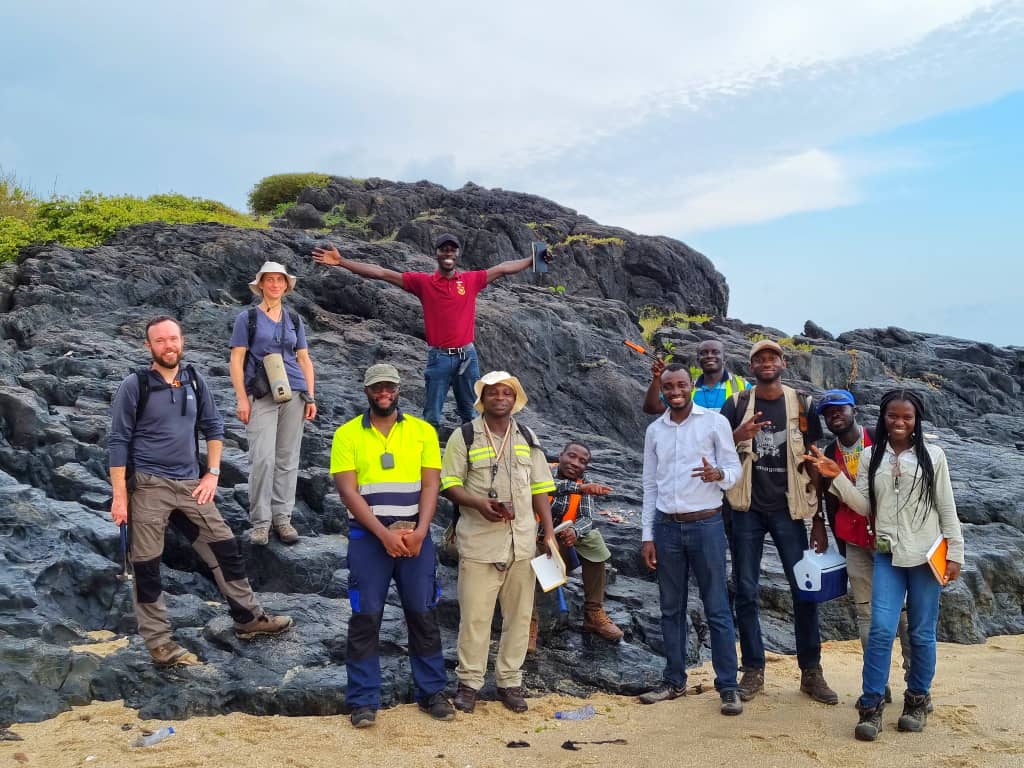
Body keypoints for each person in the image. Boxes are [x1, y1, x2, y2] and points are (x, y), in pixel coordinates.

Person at [108, 316, 292, 667]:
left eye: (173, 339)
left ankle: (248, 618)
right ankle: (160, 645)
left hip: (192, 485)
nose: (168, 346)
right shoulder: (136, 385)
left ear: (182, 341)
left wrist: (212, 474)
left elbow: (213, 426)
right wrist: (120, 496)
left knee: (225, 547)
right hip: (148, 486)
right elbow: (118, 440)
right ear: (149, 346)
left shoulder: (194, 380)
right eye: (160, 341)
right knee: (146, 567)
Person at [804, 389, 964, 741]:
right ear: (883, 417)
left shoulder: (933, 456)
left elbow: (947, 507)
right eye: (893, 416)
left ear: (916, 419)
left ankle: (917, 700)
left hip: (925, 557)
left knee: (921, 633)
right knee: (879, 630)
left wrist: (956, 553)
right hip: (888, 555)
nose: (899, 423)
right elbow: (863, 506)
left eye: (907, 417)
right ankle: (871, 706)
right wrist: (836, 477)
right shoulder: (870, 456)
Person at [312, 234, 545, 432]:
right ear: (437, 253)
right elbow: (381, 273)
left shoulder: (471, 280)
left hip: (468, 356)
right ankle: (429, 461)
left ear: (458, 254)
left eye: (452, 250)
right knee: (432, 414)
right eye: (444, 250)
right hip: (440, 357)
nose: (448, 253)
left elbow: (503, 268)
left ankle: (472, 459)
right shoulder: (423, 282)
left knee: (472, 413)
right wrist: (341, 262)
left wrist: (533, 258)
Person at [329, 363, 453, 728]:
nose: (383, 393)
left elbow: (431, 485)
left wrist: (420, 530)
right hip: (368, 539)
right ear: (366, 391)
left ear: (399, 390)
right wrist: (383, 535)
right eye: (376, 388)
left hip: (416, 537)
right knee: (366, 616)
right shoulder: (347, 434)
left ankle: (432, 692)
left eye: (389, 387)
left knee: (422, 612)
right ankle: (364, 700)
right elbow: (347, 491)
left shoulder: (423, 432)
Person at [719, 339, 838, 705]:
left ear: (783, 363)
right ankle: (753, 669)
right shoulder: (736, 404)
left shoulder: (802, 404)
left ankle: (811, 671)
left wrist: (818, 519)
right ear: (751, 366)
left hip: (790, 509)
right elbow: (718, 449)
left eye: (773, 358)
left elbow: (816, 461)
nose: (766, 363)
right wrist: (739, 435)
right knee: (747, 590)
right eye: (759, 359)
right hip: (746, 508)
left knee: (804, 588)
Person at [439, 371, 558, 714]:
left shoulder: (527, 436)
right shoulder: (465, 436)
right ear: (483, 399)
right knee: (475, 617)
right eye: (493, 392)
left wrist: (547, 533)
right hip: (479, 542)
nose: (500, 397)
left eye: (506, 392)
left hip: (522, 543)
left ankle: (510, 682)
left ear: (515, 398)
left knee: (519, 617)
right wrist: (478, 503)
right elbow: (449, 484)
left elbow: (540, 489)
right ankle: (469, 684)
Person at [637, 364, 743, 716]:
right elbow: (650, 485)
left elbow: (734, 468)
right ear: (663, 390)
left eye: (681, 384)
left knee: (717, 608)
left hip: (707, 525)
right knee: (671, 608)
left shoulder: (714, 422)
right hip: (667, 528)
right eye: (669, 386)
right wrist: (647, 535)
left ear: (691, 386)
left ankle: (728, 686)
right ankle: (674, 680)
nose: (675, 391)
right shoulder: (655, 430)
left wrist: (719, 475)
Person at [809, 389, 911, 701]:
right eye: (828, 413)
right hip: (853, 540)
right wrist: (826, 531)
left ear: (854, 409)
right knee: (865, 614)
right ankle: (877, 684)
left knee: (905, 614)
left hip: (890, 541)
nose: (834, 415)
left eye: (839, 409)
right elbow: (829, 497)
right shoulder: (828, 449)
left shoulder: (879, 441)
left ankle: (916, 682)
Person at [229, 261, 316, 546]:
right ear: (262, 284)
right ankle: (260, 522)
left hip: (295, 392)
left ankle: (283, 519)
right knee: (263, 458)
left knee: (288, 459)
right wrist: (242, 398)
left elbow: (303, 358)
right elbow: (237, 359)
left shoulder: (294, 320)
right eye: (270, 280)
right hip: (261, 392)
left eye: (280, 280)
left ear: (286, 286)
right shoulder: (247, 319)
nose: (276, 284)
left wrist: (311, 395)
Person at [529, 441, 623, 651]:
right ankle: (529, 623)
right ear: (560, 455)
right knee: (527, 560)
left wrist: (574, 531)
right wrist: (579, 488)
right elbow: (548, 487)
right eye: (571, 456)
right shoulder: (543, 472)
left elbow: (587, 518)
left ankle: (593, 612)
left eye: (582, 461)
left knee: (593, 539)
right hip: (532, 540)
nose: (575, 463)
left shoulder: (584, 481)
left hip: (560, 544)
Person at [643, 338, 749, 415]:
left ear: (724, 359)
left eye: (715, 352)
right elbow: (652, 408)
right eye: (704, 353)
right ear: (698, 361)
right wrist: (657, 378)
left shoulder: (743, 386)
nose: (709, 356)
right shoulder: (687, 388)